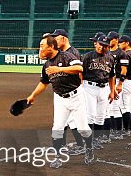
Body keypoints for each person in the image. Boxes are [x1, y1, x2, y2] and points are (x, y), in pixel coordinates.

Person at [23, 34, 93, 166]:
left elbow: (79, 68)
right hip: (60, 98)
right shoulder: (47, 65)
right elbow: (43, 83)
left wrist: (60, 69)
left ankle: (89, 149)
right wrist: (33, 95)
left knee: (83, 128)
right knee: (57, 128)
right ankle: (57, 157)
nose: (41, 48)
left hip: (76, 96)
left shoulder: (66, 56)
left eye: (42, 46)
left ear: (51, 46)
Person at [80, 33, 117, 145]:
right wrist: (81, 87)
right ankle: (88, 140)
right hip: (89, 88)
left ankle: (97, 140)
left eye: (105, 45)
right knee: (90, 116)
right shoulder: (87, 56)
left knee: (101, 117)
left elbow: (112, 76)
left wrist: (112, 91)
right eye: (100, 44)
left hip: (104, 88)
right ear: (96, 44)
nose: (102, 47)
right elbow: (80, 73)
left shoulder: (110, 58)